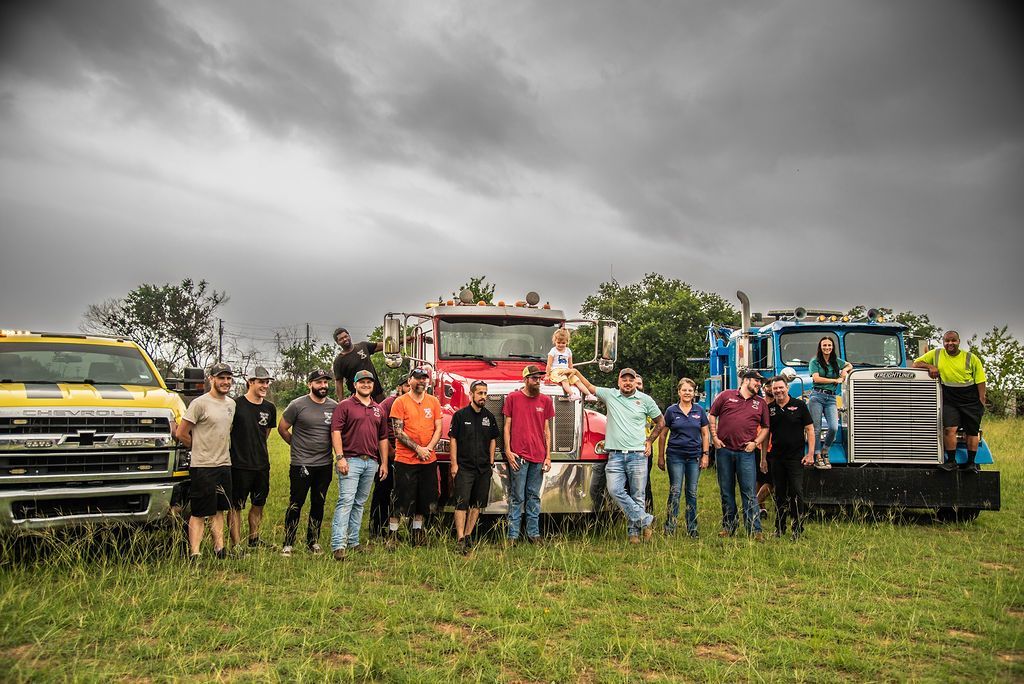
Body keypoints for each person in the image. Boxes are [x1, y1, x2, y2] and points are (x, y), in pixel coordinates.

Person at [572, 367, 664, 543]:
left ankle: (633, 534)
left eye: (631, 380)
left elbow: (661, 421)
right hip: (615, 456)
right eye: (624, 380)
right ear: (619, 382)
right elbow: (590, 387)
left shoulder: (645, 400)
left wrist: (649, 441)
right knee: (615, 490)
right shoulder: (610, 395)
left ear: (634, 382)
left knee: (638, 494)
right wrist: (575, 373)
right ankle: (645, 519)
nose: (627, 383)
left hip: (637, 455)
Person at [175, 362, 236, 562]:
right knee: (200, 510)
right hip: (203, 466)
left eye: (228, 378)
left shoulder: (231, 404)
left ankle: (220, 548)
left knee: (219, 509)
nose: (225, 382)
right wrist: (198, 447)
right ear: (211, 379)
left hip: (224, 464)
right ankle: (195, 553)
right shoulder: (199, 403)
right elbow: (181, 433)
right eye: (221, 378)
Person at [329, 370, 389, 560]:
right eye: (361, 382)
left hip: (370, 461)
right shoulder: (345, 405)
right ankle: (338, 544)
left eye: (369, 382)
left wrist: (384, 463)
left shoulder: (378, 408)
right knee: (345, 501)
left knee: (359, 503)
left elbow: (383, 438)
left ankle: (353, 541)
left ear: (373, 385)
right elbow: (336, 432)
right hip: (350, 460)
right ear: (354, 385)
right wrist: (340, 457)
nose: (365, 385)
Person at [277, 368, 338, 556]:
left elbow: (337, 433)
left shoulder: (334, 406)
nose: (323, 386)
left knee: (318, 503)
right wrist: (296, 446)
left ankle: (313, 541)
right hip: (301, 463)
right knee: (296, 503)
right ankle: (288, 542)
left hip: (324, 463)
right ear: (309, 384)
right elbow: (283, 428)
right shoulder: (297, 405)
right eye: (318, 382)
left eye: (325, 382)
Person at [913, 330, 988, 472]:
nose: (950, 344)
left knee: (972, 432)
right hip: (950, 399)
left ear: (959, 342)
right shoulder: (936, 354)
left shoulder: (971, 358)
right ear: (943, 342)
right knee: (949, 429)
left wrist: (981, 401)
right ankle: (951, 461)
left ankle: (971, 463)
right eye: (947, 341)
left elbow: (981, 382)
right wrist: (931, 367)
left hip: (970, 399)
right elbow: (916, 364)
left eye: (953, 341)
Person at [708, 369, 769, 540]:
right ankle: (729, 527)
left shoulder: (760, 403)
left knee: (749, 492)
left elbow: (765, 428)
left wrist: (755, 443)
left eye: (760, 382)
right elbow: (712, 415)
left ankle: (755, 530)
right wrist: (714, 437)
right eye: (757, 381)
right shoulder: (726, 396)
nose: (759, 384)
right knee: (726, 491)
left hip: (746, 453)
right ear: (746, 380)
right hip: (724, 452)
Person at [387, 367, 443, 547]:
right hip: (405, 460)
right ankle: (393, 535)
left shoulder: (433, 401)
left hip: (428, 459)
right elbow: (398, 431)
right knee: (400, 498)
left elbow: (438, 428)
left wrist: (428, 449)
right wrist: (418, 448)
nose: (422, 381)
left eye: (424, 378)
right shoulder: (400, 402)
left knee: (423, 499)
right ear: (410, 380)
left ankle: (417, 533)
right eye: (418, 378)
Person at [503, 365, 555, 544]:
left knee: (534, 496)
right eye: (534, 378)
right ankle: (513, 536)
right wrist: (508, 451)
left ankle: (534, 534)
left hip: (538, 457)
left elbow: (547, 430)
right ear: (525, 379)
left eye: (539, 378)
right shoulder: (513, 398)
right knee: (517, 496)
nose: (537, 381)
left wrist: (548, 456)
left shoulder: (546, 401)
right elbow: (507, 426)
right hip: (519, 456)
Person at [228, 365, 277, 551]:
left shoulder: (269, 408)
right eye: (261, 382)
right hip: (239, 464)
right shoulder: (235, 405)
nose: (265, 385)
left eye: (267, 382)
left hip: (261, 465)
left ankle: (254, 539)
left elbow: (265, 434)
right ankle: (236, 544)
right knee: (236, 506)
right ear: (250, 382)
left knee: (258, 503)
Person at [449, 380, 500, 554]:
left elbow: (493, 439)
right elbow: (453, 440)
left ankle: (469, 535)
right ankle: (460, 538)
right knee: (461, 504)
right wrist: (454, 464)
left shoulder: (489, 417)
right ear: (471, 395)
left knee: (477, 505)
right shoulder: (460, 416)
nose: (483, 397)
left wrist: (491, 461)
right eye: (480, 393)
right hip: (465, 467)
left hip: (483, 468)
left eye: (485, 393)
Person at [657, 378, 710, 537]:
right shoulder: (671, 411)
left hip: (694, 457)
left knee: (692, 492)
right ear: (679, 392)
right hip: (675, 456)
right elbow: (663, 434)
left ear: (694, 393)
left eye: (690, 390)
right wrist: (661, 457)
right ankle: (670, 528)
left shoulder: (699, 411)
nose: (687, 393)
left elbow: (705, 433)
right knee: (675, 491)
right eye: (684, 390)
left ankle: (692, 529)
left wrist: (705, 455)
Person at [765, 376, 815, 540]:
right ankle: (779, 528)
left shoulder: (799, 405)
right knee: (779, 494)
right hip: (776, 458)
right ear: (771, 390)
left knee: (796, 493)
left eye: (781, 387)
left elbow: (810, 429)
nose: (778, 391)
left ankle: (797, 529)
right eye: (775, 388)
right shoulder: (770, 408)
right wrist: (763, 458)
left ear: (787, 388)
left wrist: (810, 453)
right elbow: (766, 435)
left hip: (796, 458)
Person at [368, 375, 410, 538]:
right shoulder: (388, 404)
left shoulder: (412, 403)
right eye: (406, 386)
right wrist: (391, 453)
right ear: (399, 387)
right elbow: (380, 431)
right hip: (386, 454)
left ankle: (392, 529)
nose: (408, 389)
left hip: (405, 456)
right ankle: (376, 529)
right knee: (382, 492)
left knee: (398, 494)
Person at [807, 337, 852, 469]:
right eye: (824, 345)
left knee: (834, 427)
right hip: (817, 396)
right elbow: (816, 378)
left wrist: (844, 371)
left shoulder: (836, 361)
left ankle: (825, 449)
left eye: (829, 345)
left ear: (833, 347)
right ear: (820, 347)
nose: (827, 347)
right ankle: (817, 455)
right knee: (816, 428)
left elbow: (849, 365)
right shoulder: (814, 361)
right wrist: (835, 381)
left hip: (831, 398)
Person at [332, 327, 385, 402]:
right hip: (359, 399)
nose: (345, 339)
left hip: (377, 393)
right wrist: (341, 401)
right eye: (341, 339)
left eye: (346, 336)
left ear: (349, 336)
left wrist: (404, 340)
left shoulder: (363, 346)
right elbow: (338, 382)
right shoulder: (339, 361)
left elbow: (383, 345)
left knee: (383, 412)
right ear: (337, 342)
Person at [635, 374, 656, 515]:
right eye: (633, 383)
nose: (636, 386)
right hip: (626, 447)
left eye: (639, 384)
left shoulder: (647, 402)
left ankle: (648, 514)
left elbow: (658, 422)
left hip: (644, 448)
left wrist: (649, 439)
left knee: (645, 483)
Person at [545, 328, 579, 399]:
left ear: (567, 342)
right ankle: (571, 394)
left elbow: (570, 364)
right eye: (558, 343)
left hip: (566, 371)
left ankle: (588, 394)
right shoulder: (553, 351)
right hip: (556, 371)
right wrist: (547, 375)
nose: (561, 345)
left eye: (563, 343)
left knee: (577, 380)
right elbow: (549, 364)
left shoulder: (568, 351)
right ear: (555, 341)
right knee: (564, 380)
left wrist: (571, 371)